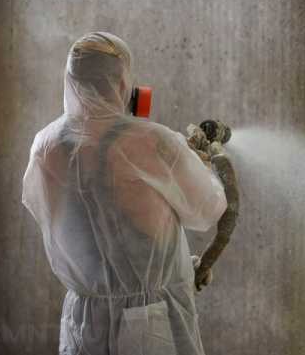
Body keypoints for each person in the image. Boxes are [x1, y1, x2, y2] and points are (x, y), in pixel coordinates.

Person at [22, 32, 227, 355]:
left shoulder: (45, 146)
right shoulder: (153, 141)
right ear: (122, 83)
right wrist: (205, 166)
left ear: (71, 81)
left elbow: (78, 230)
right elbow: (207, 210)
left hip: (83, 320)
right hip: (147, 325)